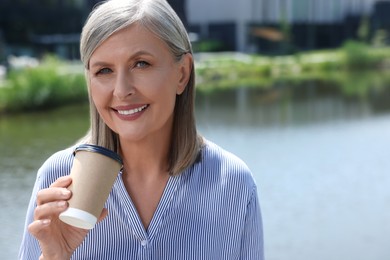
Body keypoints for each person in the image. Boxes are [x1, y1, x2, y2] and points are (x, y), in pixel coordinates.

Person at [19, 0, 264, 259]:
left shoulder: (234, 184)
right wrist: (55, 256)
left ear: (182, 73)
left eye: (141, 64)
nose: (122, 90)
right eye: (104, 70)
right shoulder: (56, 181)